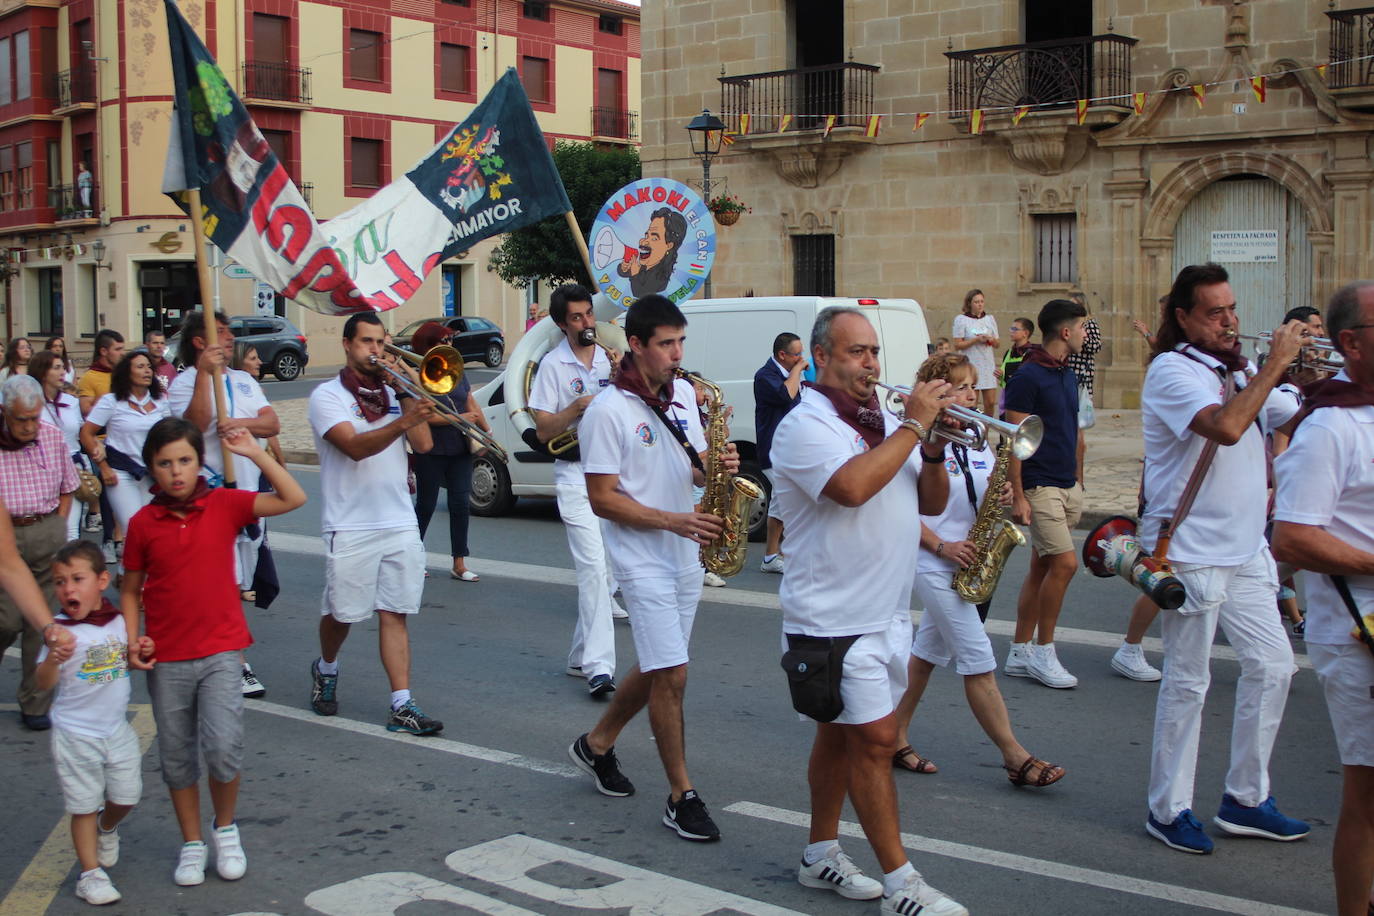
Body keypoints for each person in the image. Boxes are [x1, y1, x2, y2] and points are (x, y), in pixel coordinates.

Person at [770, 306, 966, 914]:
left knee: (837, 739)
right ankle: (903, 885)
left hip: (883, 614)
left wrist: (930, 447)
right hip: (831, 619)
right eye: (857, 352)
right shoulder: (805, 425)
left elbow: (930, 502)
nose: (871, 364)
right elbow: (851, 489)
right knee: (877, 742)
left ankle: (819, 855)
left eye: (875, 352)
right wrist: (913, 427)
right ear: (820, 357)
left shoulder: (882, 421)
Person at [1137, 262, 1309, 854]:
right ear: (1183, 318)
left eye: (1232, 308)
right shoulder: (1173, 371)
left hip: (1245, 549)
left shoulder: (1240, 369)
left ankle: (1246, 797)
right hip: (1189, 552)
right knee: (1188, 682)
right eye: (1215, 312)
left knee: (1274, 665)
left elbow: (1300, 413)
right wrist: (1278, 366)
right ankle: (1168, 808)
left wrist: (1335, 374)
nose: (1231, 320)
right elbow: (1228, 427)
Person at [566, 294, 736, 842]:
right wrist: (671, 521)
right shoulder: (608, 411)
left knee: (664, 662)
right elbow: (602, 499)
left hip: (684, 552)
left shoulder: (685, 393)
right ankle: (681, 795)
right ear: (635, 345)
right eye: (666, 344)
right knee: (673, 674)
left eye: (680, 341)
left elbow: (686, 471)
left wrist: (715, 465)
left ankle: (595, 745)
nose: (676, 353)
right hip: (641, 560)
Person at [122, 417, 305, 887]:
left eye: (184, 460)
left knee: (224, 748)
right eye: (165, 464)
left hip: (223, 650)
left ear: (197, 462)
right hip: (167, 656)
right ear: (152, 469)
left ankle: (225, 829)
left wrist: (253, 452)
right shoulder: (143, 523)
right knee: (177, 755)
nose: (176, 472)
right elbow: (131, 588)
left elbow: (292, 497)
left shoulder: (223, 504)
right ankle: (191, 842)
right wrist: (131, 638)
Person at [893, 352, 1067, 790]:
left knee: (927, 656)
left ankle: (891, 737)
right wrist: (941, 544)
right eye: (962, 386)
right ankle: (1015, 756)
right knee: (978, 658)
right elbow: (898, 511)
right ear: (938, 393)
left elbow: (981, 497)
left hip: (967, 556)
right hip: (932, 559)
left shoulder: (976, 438)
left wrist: (1001, 492)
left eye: (973, 384)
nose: (974, 393)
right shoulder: (915, 441)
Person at [1272, 280, 1374, 916]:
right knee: (1367, 797)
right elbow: (1292, 538)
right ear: (1350, 345)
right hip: (1359, 629)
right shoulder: (1330, 426)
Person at [307, 312, 442, 735]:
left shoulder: (393, 392)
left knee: (395, 613)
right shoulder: (326, 397)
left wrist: (405, 392)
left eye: (381, 343)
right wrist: (402, 419)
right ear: (347, 345)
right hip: (350, 524)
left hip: (398, 517)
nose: (376, 351)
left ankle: (402, 704)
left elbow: (423, 444)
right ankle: (326, 667)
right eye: (367, 342)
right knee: (343, 614)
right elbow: (354, 447)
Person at [35, 541, 154, 906]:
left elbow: (128, 659)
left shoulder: (118, 620)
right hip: (75, 733)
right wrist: (54, 659)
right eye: (60, 582)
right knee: (83, 804)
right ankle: (90, 875)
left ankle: (108, 826)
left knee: (127, 795)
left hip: (116, 729)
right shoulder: (58, 631)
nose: (68, 589)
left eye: (77, 579)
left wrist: (144, 648)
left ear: (102, 580)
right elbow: (42, 683)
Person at [529, 285, 624, 698]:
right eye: (578, 318)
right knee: (592, 570)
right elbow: (542, 429)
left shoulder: (609, 358)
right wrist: (574, 409)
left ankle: (578, 656)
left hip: (611, 475)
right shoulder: (552, 365)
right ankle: (600, 668)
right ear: (561, 324)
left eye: (589, 314)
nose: (588, 323)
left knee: (606, 571)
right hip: (573, 475)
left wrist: (625, 383)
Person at [1003, 298, 1088, 688]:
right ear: (1066, 332)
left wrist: (1078, 479)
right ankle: (1044, 650)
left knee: (1042, 566)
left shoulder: (1068, 374)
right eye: (1083, 328)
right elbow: (1014, 441)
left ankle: (1019, 649)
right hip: (1038, 484)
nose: (1086, 334)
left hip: (1066, 484)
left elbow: (1074, 431)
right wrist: (1019, 495)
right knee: (1065, 565)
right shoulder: (1027, 376)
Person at [0, 374, 79, 730]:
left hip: (46, 529)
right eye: (21, 420)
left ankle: (35, 703)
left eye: (34, 418)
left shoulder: (50, 435)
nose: (30, 426)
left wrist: (60, 524)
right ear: (4, 412)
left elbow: (68, 486)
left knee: (42, 625)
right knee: (7, 620)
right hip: (7, 534)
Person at [411, 320, 488, 583]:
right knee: (426, 505)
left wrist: (486, 431)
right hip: (431, 449)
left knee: (459, 504)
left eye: (450, 341)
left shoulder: (454, 367)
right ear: (428, 345)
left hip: (459, 447)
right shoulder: (416, 375)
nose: (449, 345)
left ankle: (459, 562)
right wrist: (465, 418)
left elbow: (469, 399)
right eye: (443, 341)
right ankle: (412, 556)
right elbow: (427, 417)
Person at [80, 352, 171, 567]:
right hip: (120, 473)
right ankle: (134, 586)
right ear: (127, 372)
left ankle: (129, 578)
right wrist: (103, 466)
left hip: (152, 474)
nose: (147, 370)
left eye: (149, 366)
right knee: (134, 527)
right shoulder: (112, 401)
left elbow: (172, 435)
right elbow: (87, 433)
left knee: (151, 531)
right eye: (140, 366)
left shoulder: (161, 401)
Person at [754, 331, 806, 574]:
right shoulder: (765, 376)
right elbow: (786, 395)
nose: (801, 359)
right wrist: (797, 371)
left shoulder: (792, 374)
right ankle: (786, 554)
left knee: (780, 503)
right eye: (797, 354)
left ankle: (771, 556)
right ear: (782, 355)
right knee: (792, 500)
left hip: (792, 449)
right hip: (775, 449)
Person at [32, 351, 89, 540]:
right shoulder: (30, 404)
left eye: (63, 367)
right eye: (56, 368)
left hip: (72, 468)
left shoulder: (71, 402)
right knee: (45, 530)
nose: (62, 372)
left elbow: (79, 435)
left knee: (70, 530)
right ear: (42, 372)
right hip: (41, 472)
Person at [951, 289, 999, 416]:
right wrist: (976, 340)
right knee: (973, 401)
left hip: (987, 363)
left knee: (990, 401)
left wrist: (990, 339)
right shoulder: (961, 320)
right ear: (970, 303)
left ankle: (986, 429)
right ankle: (973, 428)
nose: (980, 304)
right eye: (976, 302)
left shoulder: (989, 319)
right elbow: (957, 344)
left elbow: (997, 344)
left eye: (982, 301)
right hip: (972, 363)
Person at [1065, 293, 1102, 437]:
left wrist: (1080, 339)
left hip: (1081, 372)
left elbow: (1096, 346)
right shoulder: (1069, 324)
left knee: (1077, 415)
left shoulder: (1089, 323)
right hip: (1069, 368)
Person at [77, 330, 125, 417]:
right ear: (103, 351)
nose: (123, 353)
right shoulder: (89, 377)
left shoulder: (126, 373)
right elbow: (85, 410)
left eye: (122, 349)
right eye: (118, 349)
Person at [994, 317, 1034, 394]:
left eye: (1015, 329)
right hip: (1007, 393)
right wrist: (1000, 375)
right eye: (1011, 329)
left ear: (1025, 333)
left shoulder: (1032, 353)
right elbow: (1004, 376)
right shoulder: (1009, 352)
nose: (1011, 331)